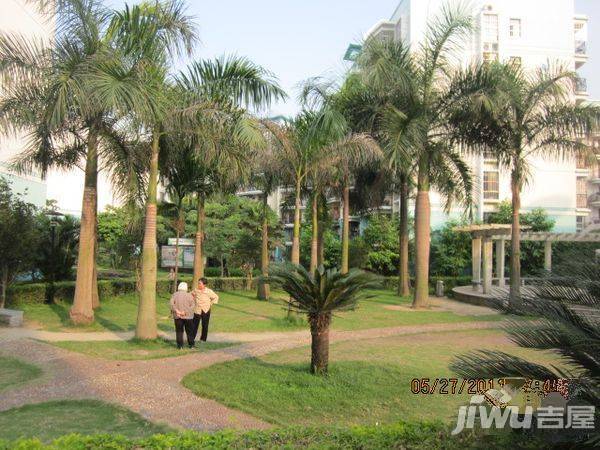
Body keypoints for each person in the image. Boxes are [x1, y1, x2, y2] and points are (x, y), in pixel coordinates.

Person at [192, 277, 219, 343]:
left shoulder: (209, 291)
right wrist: (193, 299)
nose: (198, 285)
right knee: (194, 325)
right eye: (198, 283)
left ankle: (203, 339)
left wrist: (210, 304)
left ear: (204, 285)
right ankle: (192, 338)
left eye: (200, 284)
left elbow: (216, 297)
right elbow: (191, 295)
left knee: (205, 325)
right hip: (197, 310)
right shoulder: (196, 290)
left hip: (206, 310)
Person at [170, 282, 196, 349]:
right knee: (189, 331)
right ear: (186, 288)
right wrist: (185, 312)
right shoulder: (189, 295)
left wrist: (176, 311)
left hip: (177, 316)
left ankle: (180, 346)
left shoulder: (174, 295)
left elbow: (171, 304)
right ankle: (191, 345)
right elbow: (193, 305)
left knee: (179, 331)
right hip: (188, 317)